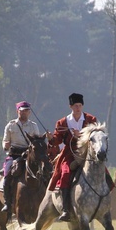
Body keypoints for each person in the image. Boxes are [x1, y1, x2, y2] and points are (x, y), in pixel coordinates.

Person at [47, 93, 98, 221]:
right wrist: (51, 139)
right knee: (65, 173)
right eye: (76, 106)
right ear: (70, 106)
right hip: (69, 154)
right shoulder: (62, 122)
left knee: (103, 172)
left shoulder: (91, 119)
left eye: (80, 105)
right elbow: (57, 140)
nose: (78, 108)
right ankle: (65, 209)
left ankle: (105, 201)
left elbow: (95, 136)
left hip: (87, 152)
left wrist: (79, 135)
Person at [0, 101, 40, 213]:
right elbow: (5, 141)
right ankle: (8, 202)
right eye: (22, 111)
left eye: (27, 111)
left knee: (43, 173)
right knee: (7, 175)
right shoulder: (10, 125)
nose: (24, 113)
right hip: (14, 155)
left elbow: (36, 142)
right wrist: (5, 145)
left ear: (29, 112)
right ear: (18, 111)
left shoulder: (34, 126)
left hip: (28, 155)